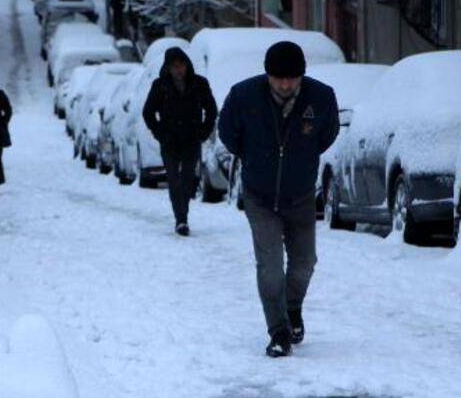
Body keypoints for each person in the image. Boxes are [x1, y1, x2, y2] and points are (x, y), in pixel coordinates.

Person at [218, 41, 339, 358]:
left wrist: (302, 159)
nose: (285, 85)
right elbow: (228, 133)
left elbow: (327, 135)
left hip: (300, 194)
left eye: (291, 78)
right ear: (267, 75)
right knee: (270, 265)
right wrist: (255, 159)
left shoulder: (321, 98)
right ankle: (279, 331)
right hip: (259, 195)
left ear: (301, 76)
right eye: (278, 78)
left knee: (304, 263)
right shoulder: (244, 96)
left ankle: (292, 308)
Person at [143, 47, 217, 236]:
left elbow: (211, 110)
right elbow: (148, 112)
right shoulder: (160, 86)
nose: (178, 70)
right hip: (169, 141)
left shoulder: (199, 84)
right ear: (168, 67)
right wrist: (159, 133)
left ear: (187, 65)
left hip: (192, 139)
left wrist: (203, 132)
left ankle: (183, 215)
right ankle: (181, 219)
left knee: (187, 179)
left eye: (181, 65)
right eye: (174, 66)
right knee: (174, 179)